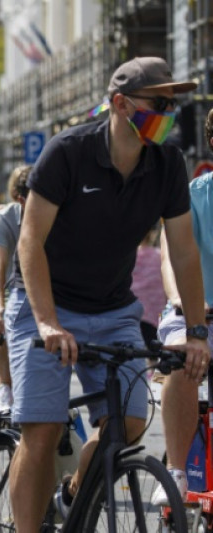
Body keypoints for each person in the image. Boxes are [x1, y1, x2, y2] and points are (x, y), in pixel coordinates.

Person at [7, 56, 209, 531]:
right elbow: (29, 241)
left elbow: (184, 252)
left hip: (114, 307)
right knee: (43, 429)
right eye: (160, 103)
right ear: (121, 103)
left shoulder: (167, 162)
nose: (170, 114)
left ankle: (74, 493)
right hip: (46, 304)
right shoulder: (68, 152)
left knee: (129, 424)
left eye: (173, 104)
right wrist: (47, 322)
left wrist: (196, 332)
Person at [154, 105, 213, 505]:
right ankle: (175, 471)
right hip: (194, 314)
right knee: (182, 357)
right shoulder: (191, 195)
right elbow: (169, 258)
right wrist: (183, 300)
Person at [0, 165, 30, 411]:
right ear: (19, 198)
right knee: (6, 330)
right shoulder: (3, 216)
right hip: (10, 284)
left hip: (46, 285)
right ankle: (5, 385)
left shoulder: (57, 212)